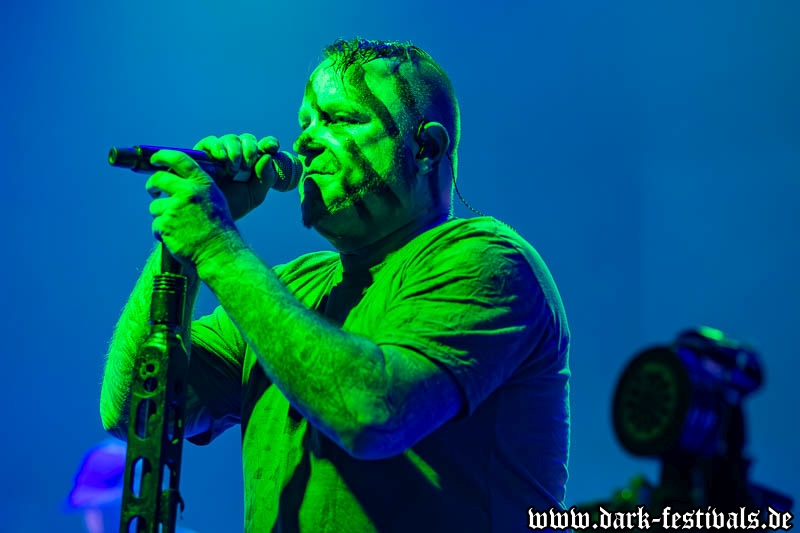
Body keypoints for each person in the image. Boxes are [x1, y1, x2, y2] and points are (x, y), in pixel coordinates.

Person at [100, 37, 571, 532]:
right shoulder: (291, 287)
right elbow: (134, 411)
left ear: (426, 148)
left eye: (340, 119)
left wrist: (215, 247)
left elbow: (371, 413)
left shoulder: (486, 259)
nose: (305, 141)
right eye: (305, 123)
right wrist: (180, 246)